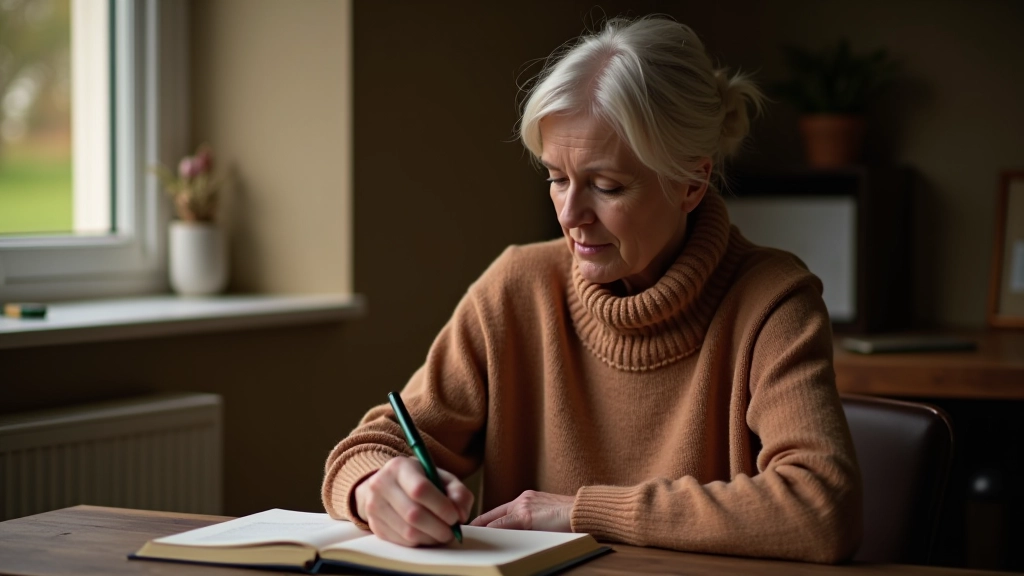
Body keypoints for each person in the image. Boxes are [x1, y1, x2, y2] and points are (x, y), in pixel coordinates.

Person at [322, 15, 861, 564]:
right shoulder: (515, 287)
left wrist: (583, 512)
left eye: (607, 186)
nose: (570, 214)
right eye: (556, 178)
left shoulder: (773, 301)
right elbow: (372, 447)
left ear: (691, 184)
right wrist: (374, 488)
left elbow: (821, 507)